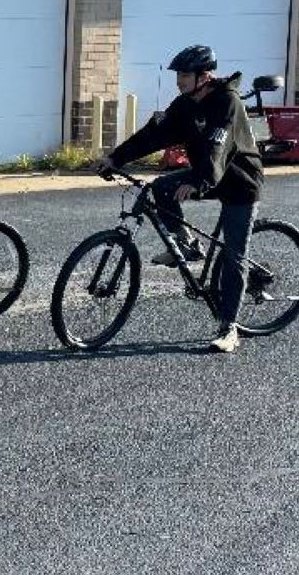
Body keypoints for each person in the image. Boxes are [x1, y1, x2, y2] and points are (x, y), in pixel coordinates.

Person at [94, 44, 265, 353]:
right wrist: (116, 158)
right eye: (178, 74)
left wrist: (199, 182)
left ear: (204, 75)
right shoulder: (185, 104)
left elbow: (218, 147)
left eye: (185, 75)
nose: (179, 80)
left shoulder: (227, 101)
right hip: (206, 173)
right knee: (160, 188)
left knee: (233, 256)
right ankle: (185, 244)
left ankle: (229, 328)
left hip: (240, 182)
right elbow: (153, 135)